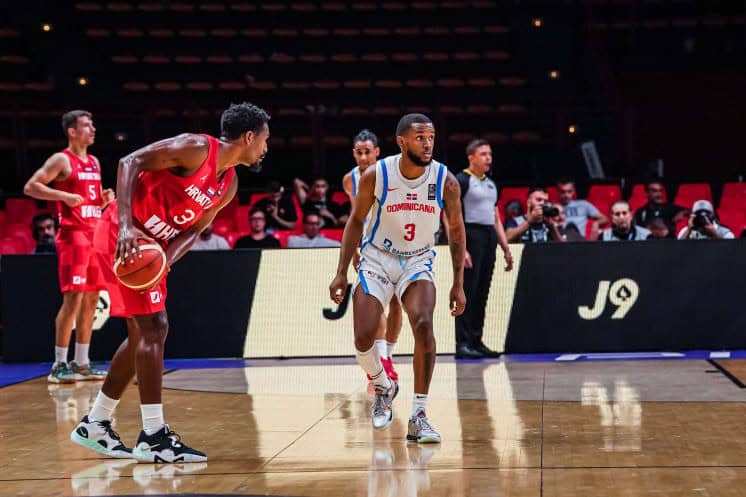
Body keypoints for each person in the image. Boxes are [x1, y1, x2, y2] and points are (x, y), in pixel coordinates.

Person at [70, 102, 270, 463]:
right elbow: (129, 162)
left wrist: (165, 262)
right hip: (122, 235)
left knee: (143, 334)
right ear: (249, 136)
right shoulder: (195, 148)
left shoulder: (228, 183)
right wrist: (128, 226)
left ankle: (96, 423)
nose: (266, 149)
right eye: (265, 140)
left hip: (150, 250)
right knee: (154, 327)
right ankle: (152, 435)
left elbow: (195, 230)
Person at [329, 113, 467, 444]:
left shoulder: (445, 180)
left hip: (418, 259)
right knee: (363, 337)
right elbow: (355, 221)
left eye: (431, 136)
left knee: (422, 322)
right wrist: (340, 271)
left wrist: (458, 282)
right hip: (376, 257)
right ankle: (383, 385)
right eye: (420, 137)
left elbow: (458, 230)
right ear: (402, 142)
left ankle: (419, 415)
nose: (428, 142)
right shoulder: (376, 175)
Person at [23, 110, 114, 383]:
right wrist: (63, 195)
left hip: (94, 234)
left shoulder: (95, 161)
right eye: (87, 125)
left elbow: (88, 200)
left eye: (93, 124)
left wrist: (102, 199)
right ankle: (59, 364)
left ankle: (82, 363)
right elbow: (31, 186)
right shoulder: (62, 159)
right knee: (73, 298)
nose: (93, 129)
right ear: (72, 131)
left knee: (90, 299)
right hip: (73, 236)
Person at [342, 129, 401, 381]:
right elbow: (355, 217)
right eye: (359, 152)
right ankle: (382, 360)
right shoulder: (349, 180)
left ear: (377, 152)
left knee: (397, 303)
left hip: (396, 243)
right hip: (369, 246)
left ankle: (388, 354)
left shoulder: (391, 173)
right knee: (376, 302)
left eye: (368, 152)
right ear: (354, 153)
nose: (364, 157)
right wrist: (354, 248)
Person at [453, 139, 512, 359]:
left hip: (488, 237)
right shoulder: (461, 180)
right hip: (471, 235)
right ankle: (462, 343)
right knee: (467, 291)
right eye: (483, 154)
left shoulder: (490, 184)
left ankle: (476, 340)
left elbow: (495, 217)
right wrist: (462, 249)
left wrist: (505, 247)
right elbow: (451, 216)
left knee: (482, 292)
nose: (488, 158)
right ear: (472, 158)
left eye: (490, 154)